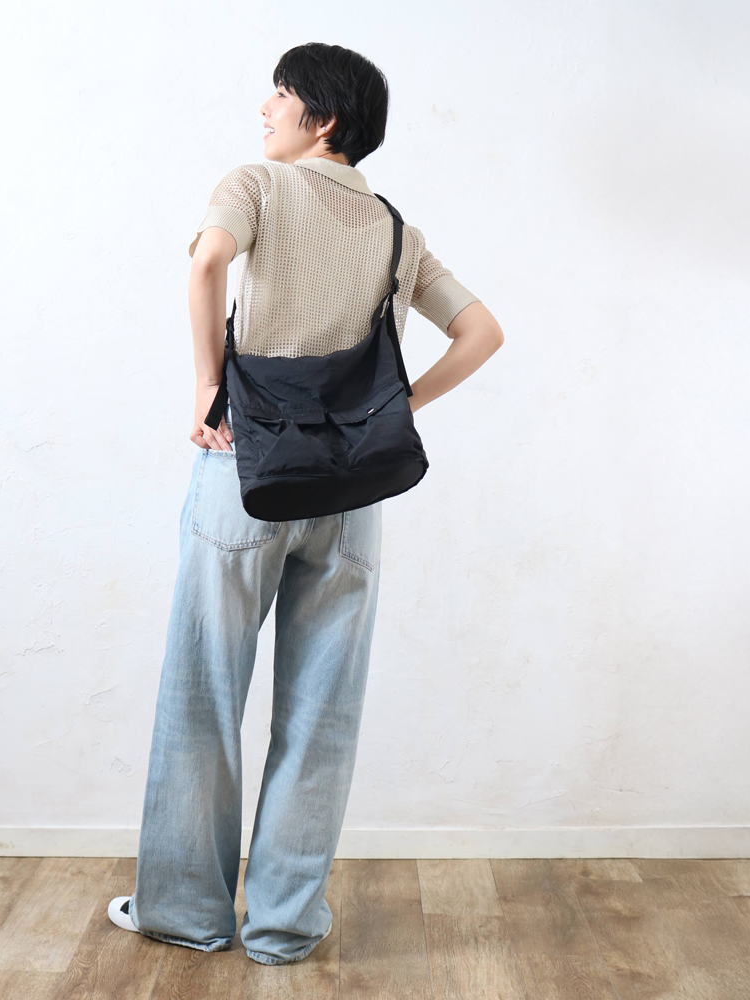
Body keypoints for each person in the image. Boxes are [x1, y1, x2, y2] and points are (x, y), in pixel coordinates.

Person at [107, 42, 504, 966]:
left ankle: (186, 912)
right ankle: (284, 925)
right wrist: (395, 409)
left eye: (281, 94)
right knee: (324, 710)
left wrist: (210, 385)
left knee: (203, 692)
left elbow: (208, 262)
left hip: (247, 473)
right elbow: (482, 331)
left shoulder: (255, 186)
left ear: (321, 119)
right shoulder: (398, 230)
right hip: (353, 489)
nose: (265, 108)